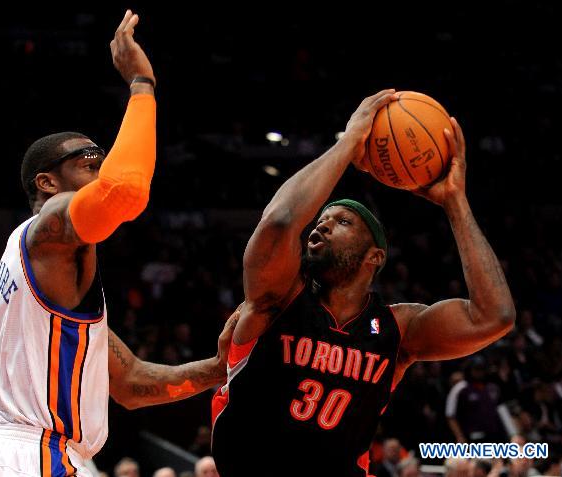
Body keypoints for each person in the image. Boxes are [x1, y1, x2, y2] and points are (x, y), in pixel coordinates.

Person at [0, 11, 236, 476]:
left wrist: (220, 369)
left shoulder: (37, 275)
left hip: (14, 450)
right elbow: (126, 192)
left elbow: (133, 385)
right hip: (33, 453)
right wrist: (141, 83)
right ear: (47, 183)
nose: (102, 169)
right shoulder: (48, 225)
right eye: (88, 161)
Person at [211, 89, 515, 477]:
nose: (321, 224)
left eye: (342, 222)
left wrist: (455, 202)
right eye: (321, 219)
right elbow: (281, 222)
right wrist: (350, 142)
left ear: (375, 257)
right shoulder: (278, 300)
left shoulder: (397, 329)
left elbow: (495, 317)